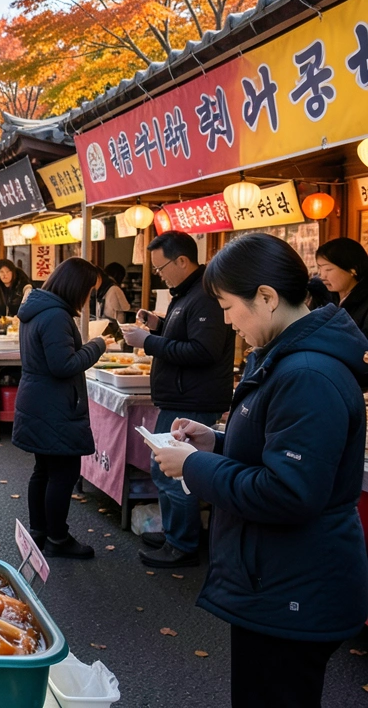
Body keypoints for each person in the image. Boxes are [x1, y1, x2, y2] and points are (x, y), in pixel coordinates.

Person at [157, 234, 368, 708]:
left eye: (229, 307)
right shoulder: (287, 360)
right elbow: (276, 451)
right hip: (278, 576)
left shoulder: (307, 374)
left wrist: (194, 465)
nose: (227, 321)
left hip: (295, 584)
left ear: (267, 297)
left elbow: (288, 491)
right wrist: (216, 442)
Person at [123, 231, 235, 569]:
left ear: (183, 261)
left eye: (161, 268)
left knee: (173, 472)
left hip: (193, 398)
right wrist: (158, 326)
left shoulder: (204, 295)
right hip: (182, 395)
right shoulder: (186, 293)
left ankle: (182, 544)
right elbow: (185, 336)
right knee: (165, 469)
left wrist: (147, 341)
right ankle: (174, 534)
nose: (160, 275)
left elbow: (203, 350)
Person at [13, 258, 112, 558]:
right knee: (64, 472)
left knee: (44, 469)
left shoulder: (36, 308)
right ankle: (57, 537)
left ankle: (39, 531)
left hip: (37, 399)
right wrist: (96, 345)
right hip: (54, 404)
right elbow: (63, 365)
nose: (89, 297)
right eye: (89, 290)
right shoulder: (56, 315)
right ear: (76, 287)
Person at [314, 237, 368, 335]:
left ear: (353, 270)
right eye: (319, 268)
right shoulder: (325, 298)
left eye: (328, 269)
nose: (322, 276)